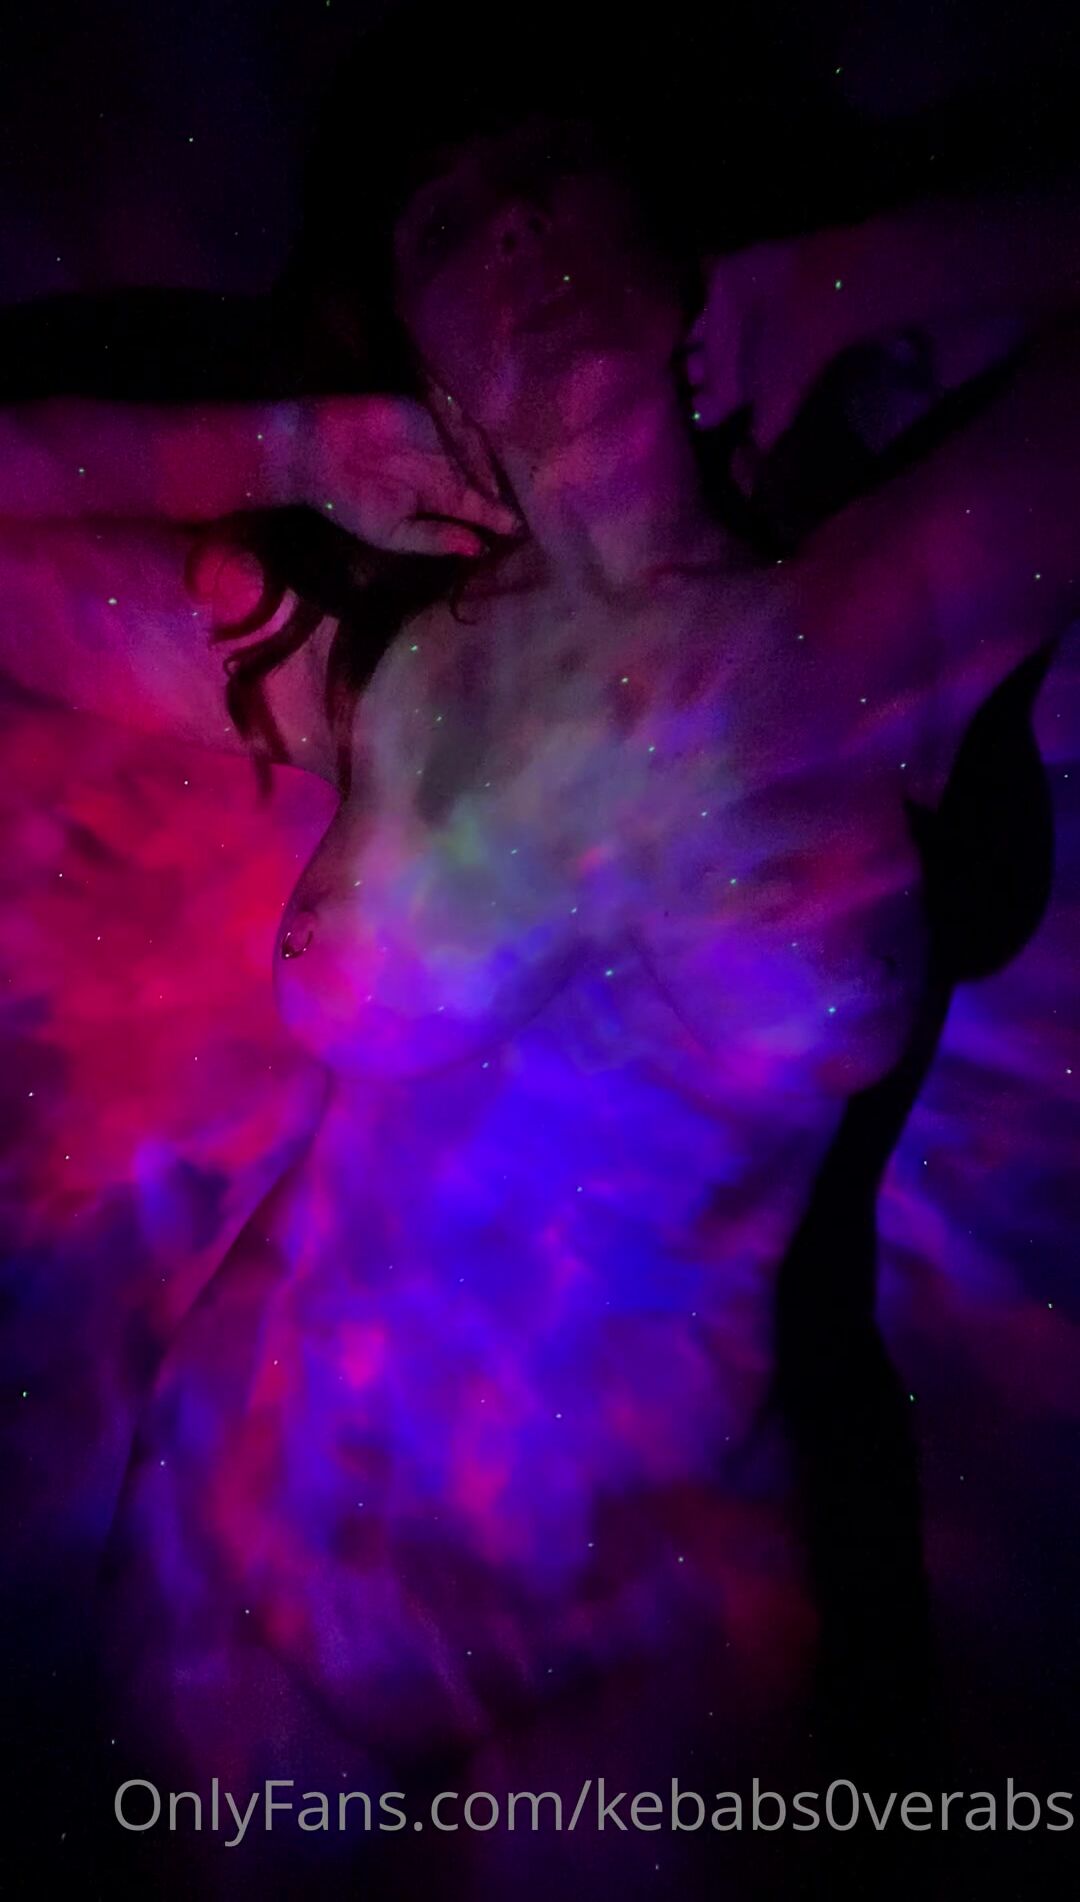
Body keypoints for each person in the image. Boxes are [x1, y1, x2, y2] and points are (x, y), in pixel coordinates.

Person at [2, 7, 1079, 1896]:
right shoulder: (372, 675)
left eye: (554, 175)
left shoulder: (874, 626)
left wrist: (847, 280)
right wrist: (279, 447)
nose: (512, 227)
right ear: (413, 357)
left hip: (646, 1617)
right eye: (446, 222)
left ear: (677, 230)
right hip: (241, 1570)